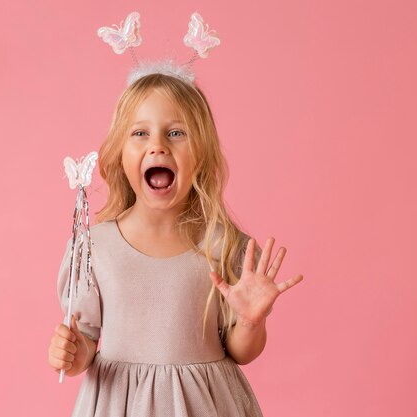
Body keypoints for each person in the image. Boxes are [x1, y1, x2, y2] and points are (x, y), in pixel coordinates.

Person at [47, 71, 304, 416]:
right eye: (140, 133)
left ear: (201, 153)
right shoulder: (96, 248)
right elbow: (87, 341)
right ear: (119, 153)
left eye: (176, 133)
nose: (158, 145)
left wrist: (250, 322)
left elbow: (241, 351)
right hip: (118, 406)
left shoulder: (224, 246)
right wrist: (71, 353)